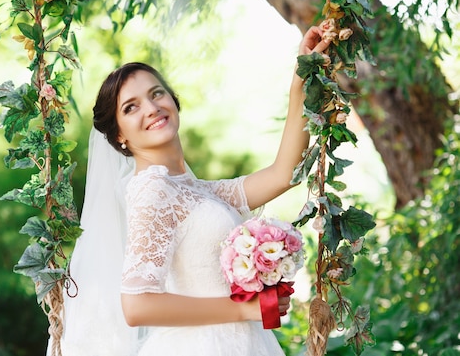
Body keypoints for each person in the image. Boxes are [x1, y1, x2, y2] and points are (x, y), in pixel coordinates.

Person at [57, 26, 330, 356]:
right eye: (131, 107)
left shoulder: (194, 190)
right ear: (119, 137)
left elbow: (284, 174)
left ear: (174, 100)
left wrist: (300, 80)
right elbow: (137, 306)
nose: (150, 107)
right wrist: (243, 309)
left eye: (156, 93)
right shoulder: (152, 190)